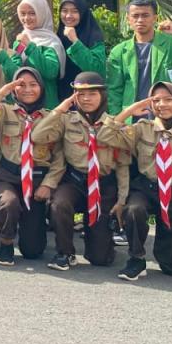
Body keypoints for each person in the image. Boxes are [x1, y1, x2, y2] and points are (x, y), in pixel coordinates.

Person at [98, 82, 172, 281]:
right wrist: (129, 110)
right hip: (146, 189)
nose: (161, 105)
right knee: (134, 210)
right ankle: (136, 258)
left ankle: (167, 249)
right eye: (156, 100)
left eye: (168, 100)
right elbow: (105, 136)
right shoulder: (142, 129)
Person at [29, 72, 127, 272]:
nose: (86, 99)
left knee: (100, 258)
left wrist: (122, 199)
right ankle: (65, 252)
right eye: (80, 94)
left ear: (102, 96)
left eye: (92, 94)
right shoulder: (67, 120)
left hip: (103, 185)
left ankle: (101, 242)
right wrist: (60, 109)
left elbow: (123, 164)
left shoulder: (114, 124)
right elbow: (37, 135)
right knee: (59, 204)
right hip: (74, 181)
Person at [0, 66, 58, 267]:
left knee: (33, 251)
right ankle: (6, 243)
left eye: (33, 85)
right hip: (8, 176)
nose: (27, 89)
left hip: (37, 181)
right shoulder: (4, 112)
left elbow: (59, 157)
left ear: (42, 88)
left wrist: (49, 183)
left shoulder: (51, 118)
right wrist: (1, 93)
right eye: (21, 85)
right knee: (8, 203)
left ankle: (30, 234)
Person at [105, 0, 172, 115]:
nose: (140, 20)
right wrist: (118, 118)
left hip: (171, 115)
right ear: (128, 19)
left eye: (145, 15)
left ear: (155, 18)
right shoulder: (119, 51)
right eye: (135, 16)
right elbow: (114, 91)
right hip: (135, 118)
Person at [0, 0, 65, 108]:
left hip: (46, 107)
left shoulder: (51, 42)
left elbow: (50, 72)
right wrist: (3, 57)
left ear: (42, 13)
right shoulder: (20, 40)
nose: (26, 18)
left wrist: (29, 46)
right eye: (23, 14)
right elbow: (15, 74)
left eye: (32, 13)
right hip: (23, 107)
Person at [56, 0, 106, 100]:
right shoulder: (57, 36)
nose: (68, 16)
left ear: (83, 13)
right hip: (61, 98)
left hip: (87, 97)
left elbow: (96, 68)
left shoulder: (94, 36)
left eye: (75, 11)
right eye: (64, 11)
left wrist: (75, 41)